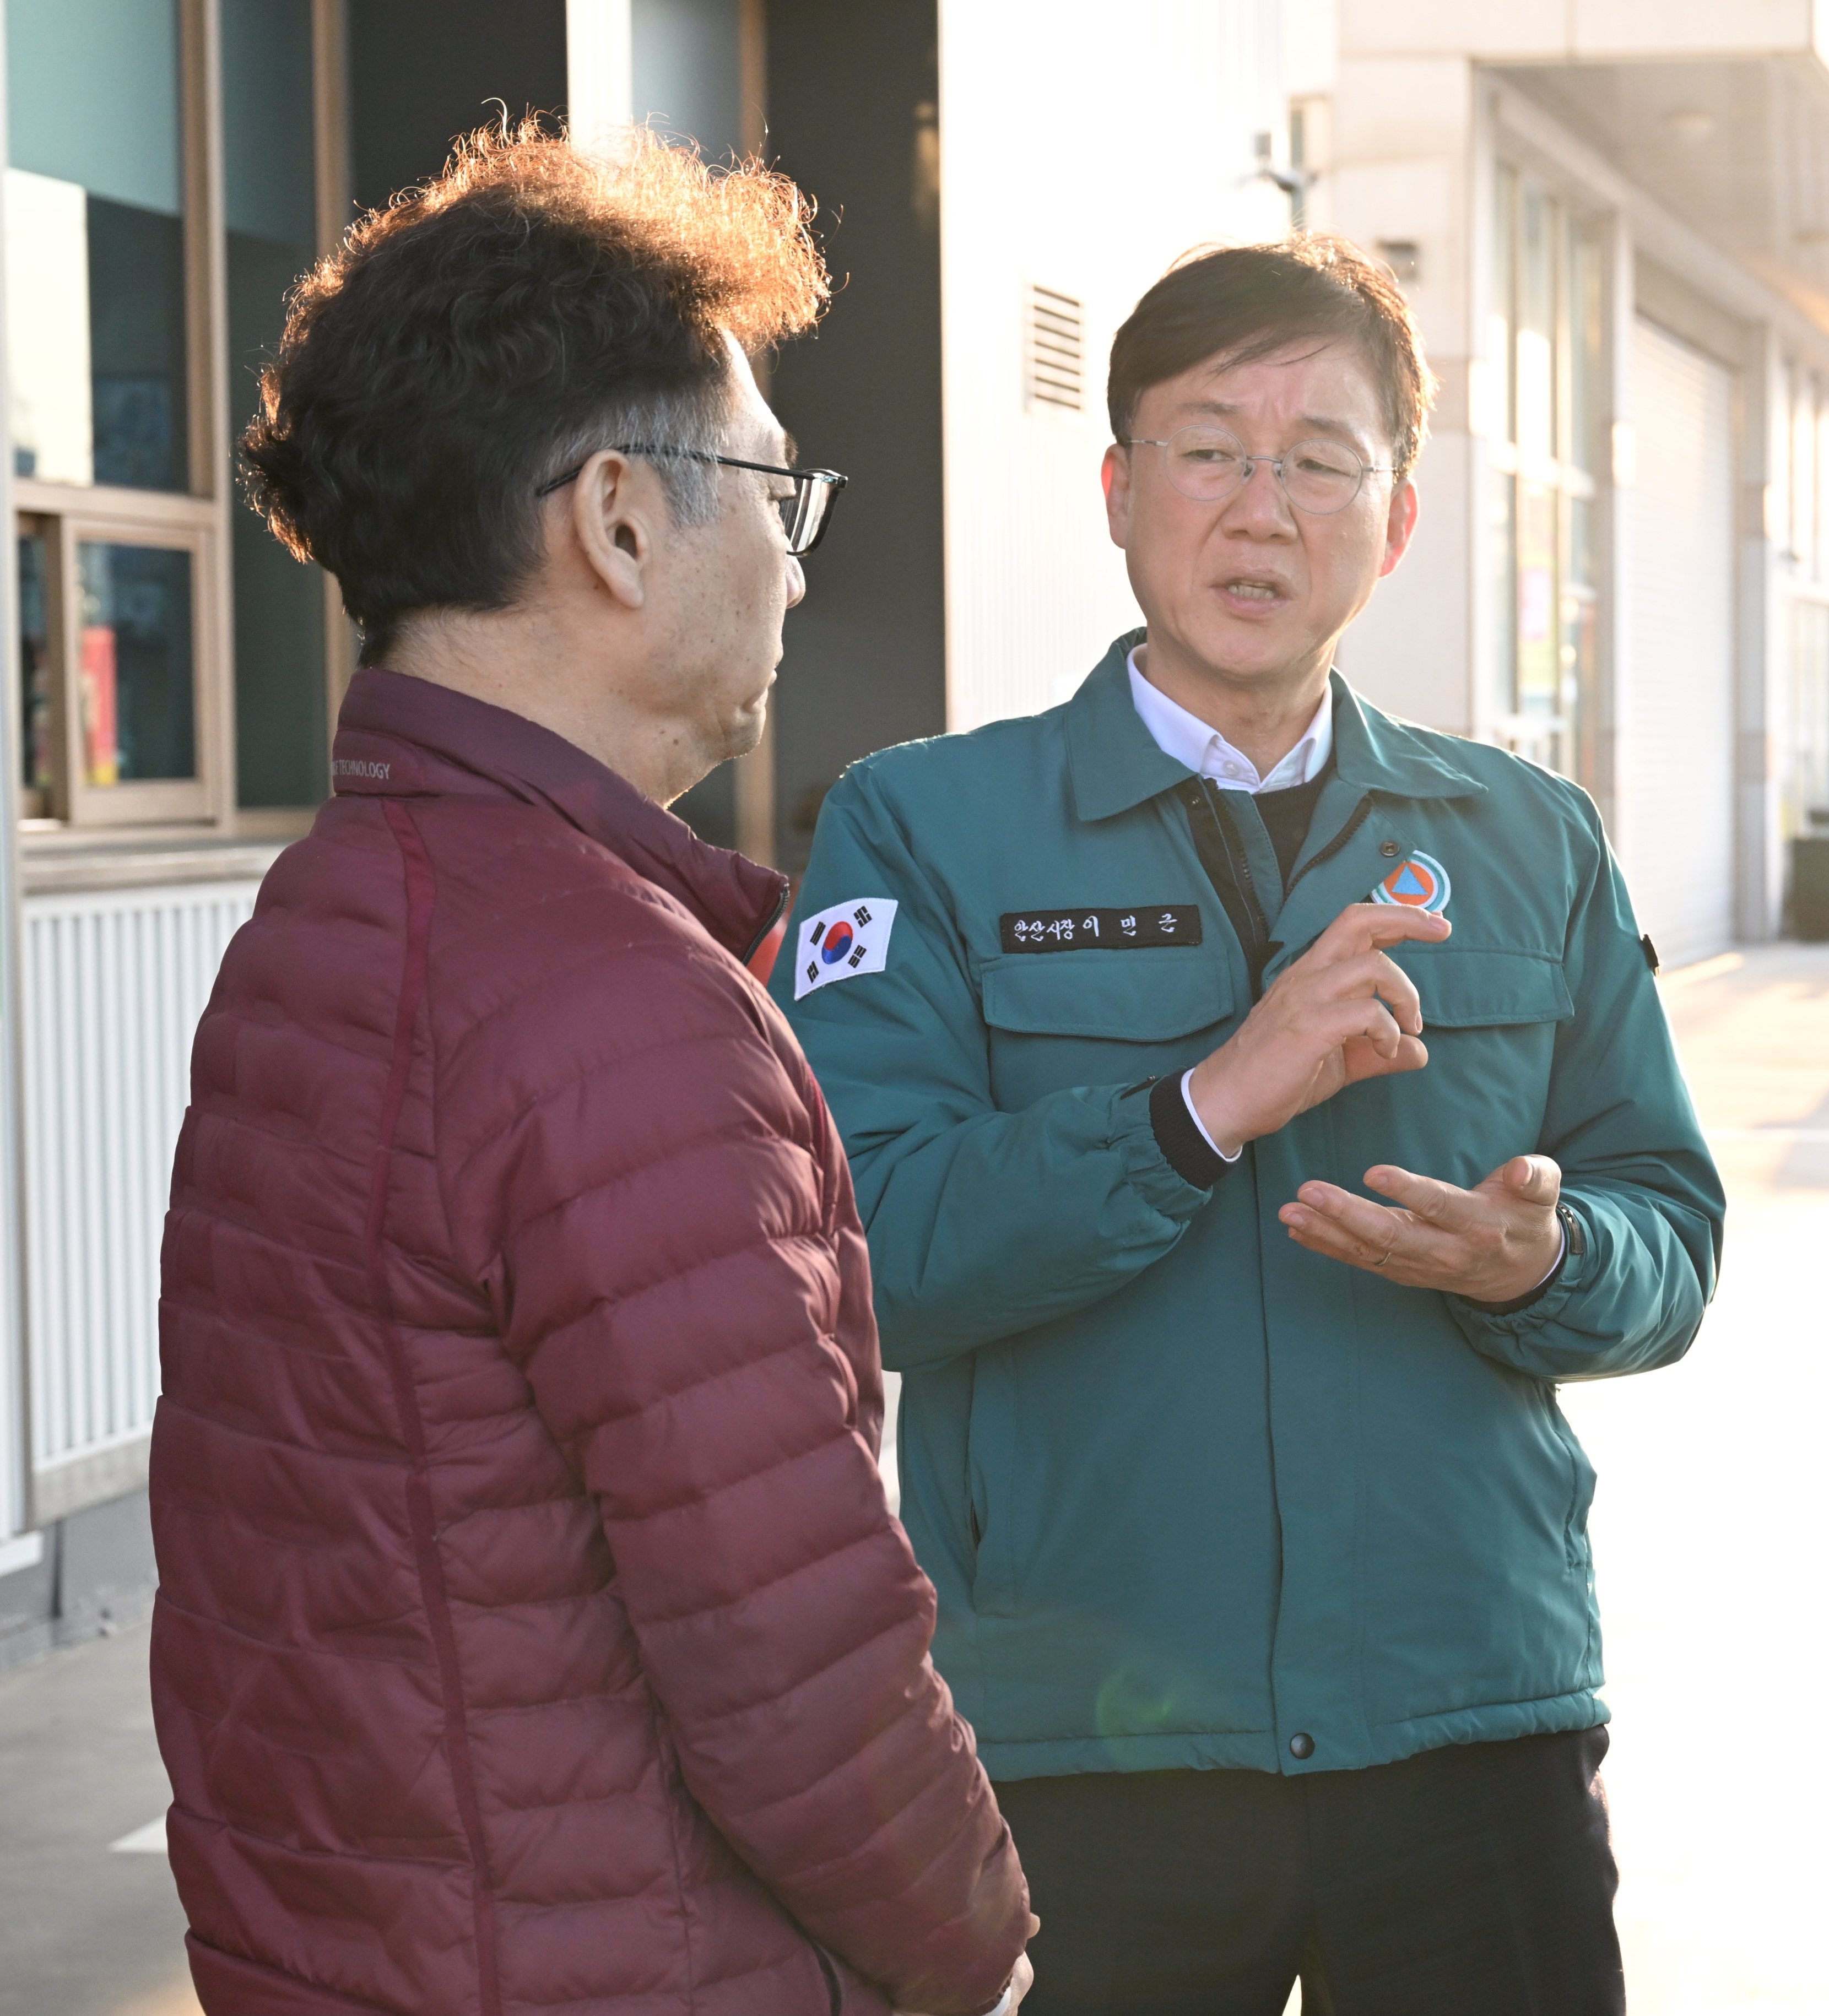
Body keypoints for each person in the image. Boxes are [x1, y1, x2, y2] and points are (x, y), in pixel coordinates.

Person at [773, 235, 1724, 2014]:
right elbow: (869, 1252)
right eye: (1209, 449)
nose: (1259, 511)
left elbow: (1669, 1233)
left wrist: (1548, 1255)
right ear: (1121, 492)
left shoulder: (1528, 837)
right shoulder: (923, 827)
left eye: (1318, 460)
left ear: (1400, 518)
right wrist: (1204, 1106)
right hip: (1091, 1748)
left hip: (1468, 1711)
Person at [154, 123, 1031, 2016]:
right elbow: (798, 1660)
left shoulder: (327, 923)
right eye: (779, 498)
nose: (796, 572)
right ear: (621, 522)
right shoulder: (609, 1006)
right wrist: (976, 1951)